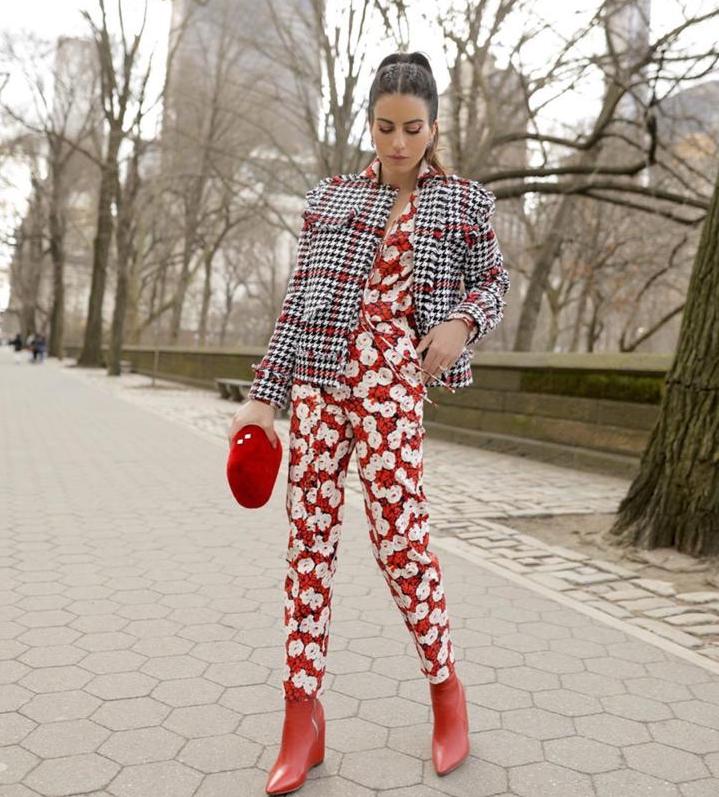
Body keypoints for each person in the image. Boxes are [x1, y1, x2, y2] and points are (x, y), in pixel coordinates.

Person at [227, 51, 510, 795]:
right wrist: (263, 397)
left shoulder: (464, 203)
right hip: (320, 381)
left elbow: (495, 280)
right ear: (370, 123)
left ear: (433, 126)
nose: (397, 142)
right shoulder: (329, 199)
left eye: (412, 128)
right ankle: (301, 717)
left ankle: (446, 691)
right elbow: (299, 301)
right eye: (385, 127)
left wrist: (460, 323)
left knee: (400, 542)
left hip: (393, 380)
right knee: (308, 546)